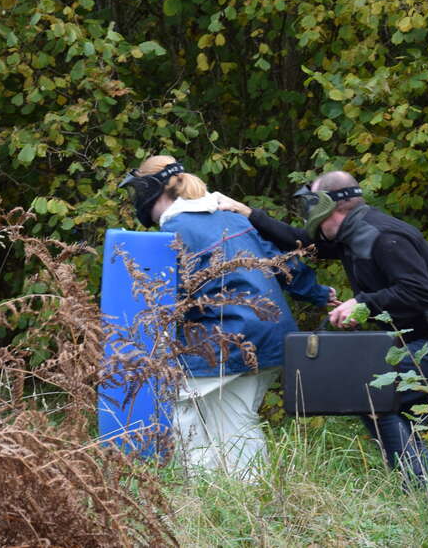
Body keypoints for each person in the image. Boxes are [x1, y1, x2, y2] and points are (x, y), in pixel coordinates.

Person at [218, 171, 428, 493]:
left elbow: (419, 291)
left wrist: (362, 303)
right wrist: (249, 214)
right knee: (384, 405)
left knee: (375, 399)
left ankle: (427, 497)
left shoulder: (384, 236)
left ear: (329, 206)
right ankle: (426, 494)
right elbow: (302, 243)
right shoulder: (353, 234)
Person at [118, 155, 335, 478]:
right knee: (231, 418)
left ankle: (214, 494)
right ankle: (235, 500)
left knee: (180, 411)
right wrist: (319, 293)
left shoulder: (176, 230)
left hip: (227, 338)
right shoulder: (232, 218)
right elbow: (282, 262)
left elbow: (161, 300)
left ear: (151, 190)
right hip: (272, 335)